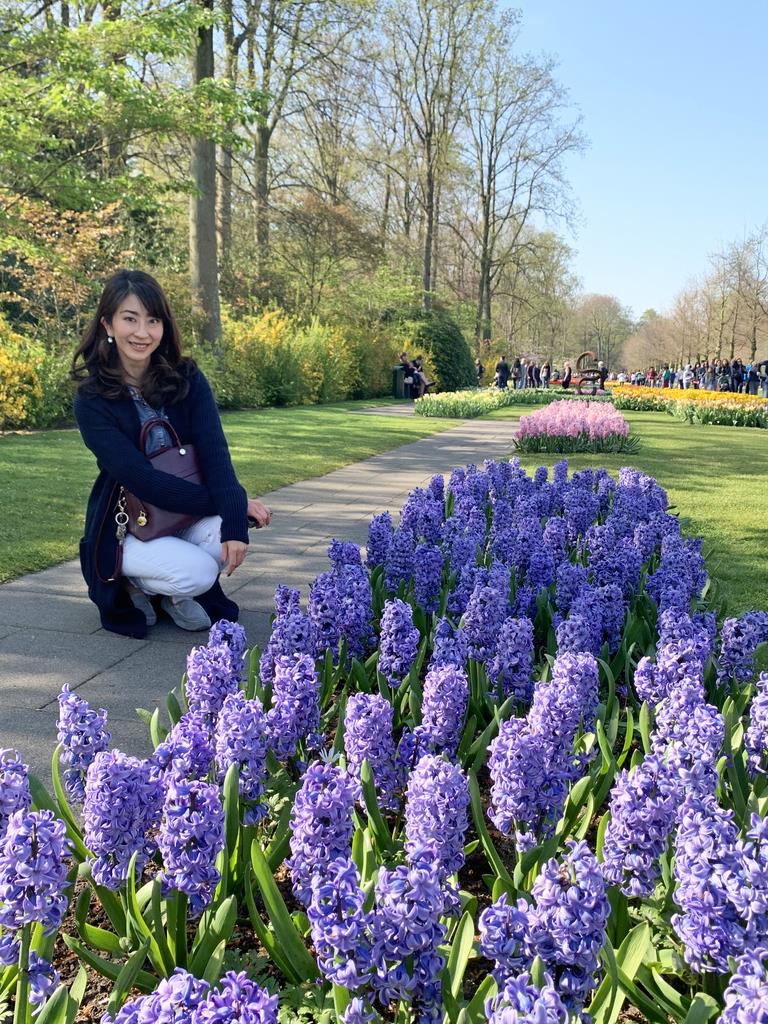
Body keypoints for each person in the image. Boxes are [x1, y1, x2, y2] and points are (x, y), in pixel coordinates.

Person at [71, 269, 271, 639]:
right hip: (126, 525)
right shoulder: (92, 398)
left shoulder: (187, 377)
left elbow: (216, 454)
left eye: (153, 320)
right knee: (198, 572)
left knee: (224, 538)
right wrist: (232, 503)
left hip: (180, 515)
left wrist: (233, 518)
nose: (142, 332)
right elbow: (143, 481)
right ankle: (136, 584)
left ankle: (166, 591)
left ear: (164, 326)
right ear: (108, 325)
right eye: (130, 319)